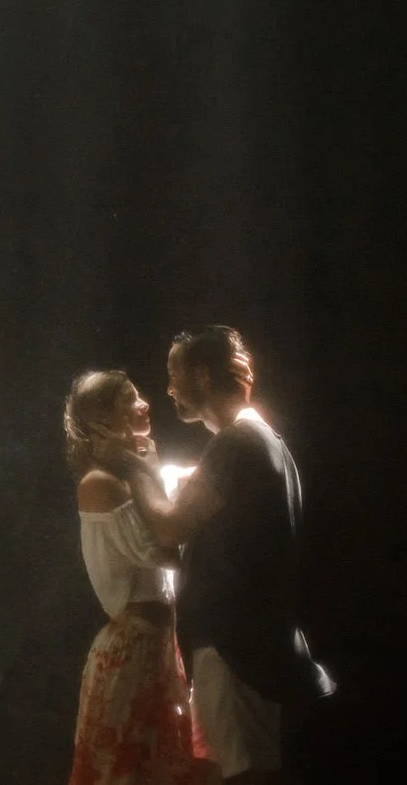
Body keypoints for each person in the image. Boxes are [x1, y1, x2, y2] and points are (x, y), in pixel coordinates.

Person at [125, 327, 332, 785]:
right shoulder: (260, 440)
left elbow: (171, 525)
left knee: (242, 776)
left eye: (174, 375)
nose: (169, 388)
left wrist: (135, 465)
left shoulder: (237, 443)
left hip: (236, 650)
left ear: (202, 376)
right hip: (249, 645)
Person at [63, 370, 213, 785]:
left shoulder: (139, 476)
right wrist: (146, 470)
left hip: (159, 647)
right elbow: (163, 550)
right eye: (129, 400)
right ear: (100, 420)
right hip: (130, 650)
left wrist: (150, 469)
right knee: (122, 772)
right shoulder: (99, 483)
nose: (144, 404)